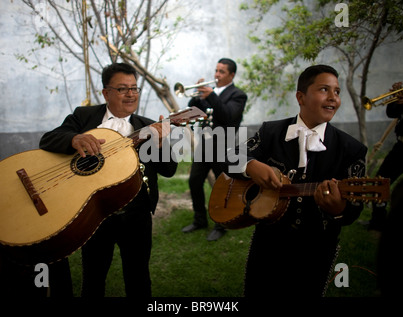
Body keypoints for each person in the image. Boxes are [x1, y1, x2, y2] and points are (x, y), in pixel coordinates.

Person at [227, 65, 367, 297]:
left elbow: (353, 210)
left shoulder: (351, 149)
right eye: (324, 89)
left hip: (317, 249)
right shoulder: (271, 132)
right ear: (300, 97)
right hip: (268, 244)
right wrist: (250, 165)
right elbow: (230, 157)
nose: (333, 97)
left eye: (337, 91)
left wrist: (339, 209)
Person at [39, 62, 178, 297]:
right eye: (123, 89)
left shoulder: (148, 126)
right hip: (95, 213)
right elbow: (48, 140)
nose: (131, 94)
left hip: (137, 215)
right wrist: (74, 139)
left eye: (134, 88)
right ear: (106, 93)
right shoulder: (84, 116)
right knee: (93, 277)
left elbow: (169, 170)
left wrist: (162, 143)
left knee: (139, 278)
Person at [182, 58, 248, 241]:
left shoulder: (238, 95)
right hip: (205, 145)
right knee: (194, 181)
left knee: (222, 186)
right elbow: (192, 111)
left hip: (223, 146)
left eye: (222, 72)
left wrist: (211, 95)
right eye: (216, 70)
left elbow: (227, 115)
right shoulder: (209, 93)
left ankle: (221, 224)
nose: (216, 75)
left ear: (231, 75)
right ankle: (200, 220)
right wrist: (196, 95)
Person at [368, 82, 403, 231]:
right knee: (380, 183)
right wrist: (395, 98)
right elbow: (392, 113)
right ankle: (377, 222)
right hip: (401, 147)